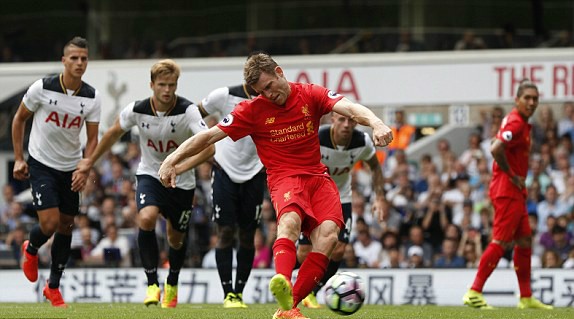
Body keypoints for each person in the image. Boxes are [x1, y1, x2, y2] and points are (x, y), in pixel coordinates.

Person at [158, 52, 393, 319]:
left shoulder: (310, 94)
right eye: (261, 91)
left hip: (318, 178)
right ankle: (282, 280)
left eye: (269, 86)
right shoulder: (252, 109)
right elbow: (208, 136)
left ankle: (287, 307)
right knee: (289, 222)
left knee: (329, 238)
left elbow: (349, 108)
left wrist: (376, 122)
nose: (268, 94)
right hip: (284, 178)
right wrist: (171, 159)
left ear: (279, 72)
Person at [76, 59, 214, 308]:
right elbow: (112, 133)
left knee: (175, 239)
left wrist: (177, 167)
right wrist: (90, 161)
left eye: (172, 85)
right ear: (151, 85)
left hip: (181, 181)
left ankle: (172, 283)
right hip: (150, 174)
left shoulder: (188, 111)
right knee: (146, 218)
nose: (167, 90)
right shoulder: (137, 110)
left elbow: (209, 149)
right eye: (162, 84)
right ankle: (152, 284)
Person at [12, 36, 101, 308]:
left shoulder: (92, 96)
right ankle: (31, 248)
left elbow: (93, 139)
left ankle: (53, 287)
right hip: (41, 164)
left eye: (84, 58)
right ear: (64, 61)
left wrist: (85, 168)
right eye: (74, 58)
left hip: (71, 167)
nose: (79, 63)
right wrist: (18, 158)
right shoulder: (42, 87)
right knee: (49, 224)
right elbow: (19, 119)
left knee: (67, 225)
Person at [462, 79, 553, 310]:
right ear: (517, 100)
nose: (532, 102)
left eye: (535, 98)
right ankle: (474, 292)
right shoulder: (516, 123)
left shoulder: (516, 121)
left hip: (514, 190)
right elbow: (495, 148)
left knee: (524, 240)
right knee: (501, 241)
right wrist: (512, 174)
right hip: (507, 189)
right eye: (527, 98)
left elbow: (497, 140)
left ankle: (525, 297)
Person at [296, 112, 386, 308]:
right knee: (304, 251)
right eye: (342, 119)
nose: (346, 124)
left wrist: (379, 197)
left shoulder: (362, 141)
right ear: (333, 120)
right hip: (312, 196)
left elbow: (375, 168)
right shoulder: (317, 137)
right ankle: (286, 276)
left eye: (351, 120)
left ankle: (312, 292)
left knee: (338, 250)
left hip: (341, 197)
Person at [197, 83, 265, 308]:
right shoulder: (225, 95)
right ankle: (228, 293)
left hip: (255, 171)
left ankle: (239, 293)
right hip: (224, 169)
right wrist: (207, 149)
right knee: (225, 232)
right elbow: (193, 115)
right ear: (248, 78)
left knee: (247, 235)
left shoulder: (272, 98)